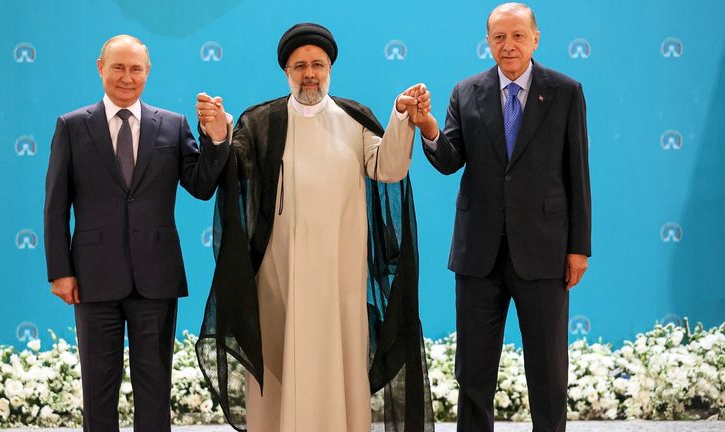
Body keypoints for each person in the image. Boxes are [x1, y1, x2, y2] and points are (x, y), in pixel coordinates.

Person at [194, 23, 434, 432]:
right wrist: (218, 134)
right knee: (279, 365)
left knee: (339, 363)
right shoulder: (261, 122)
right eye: (300, 65)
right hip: (278, 275)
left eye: (318, 65)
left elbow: (389, 167)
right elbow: (231, 171)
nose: (310, 73)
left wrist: (400, 117)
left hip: (340, 275)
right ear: (286, 71)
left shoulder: (354, 119)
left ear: (330, 69)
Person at [417, 3, 591, 431]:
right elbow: (450, 159)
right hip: (479, 254)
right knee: (473, 371)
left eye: (517, 36)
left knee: (548, 369)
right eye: (499, 37)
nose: (508, 46)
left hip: (545, 252)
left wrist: (578, 249)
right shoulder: (466, 91)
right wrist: (428, 128)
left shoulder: (566, 91)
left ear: (535, 38)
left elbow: (578, 174)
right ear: (488, 42)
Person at [43, 34, 228, 432]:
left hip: (156, 277)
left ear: (147, 72)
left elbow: (201, 185)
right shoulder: (72, 126)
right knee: (98, 386)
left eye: (136, 69)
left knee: (155, 384)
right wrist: (60, 270)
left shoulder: (174, 126)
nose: (127, 77)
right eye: (119, 67)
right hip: (93, 277)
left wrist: (216, 138)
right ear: (100, 68)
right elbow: (56, 205)